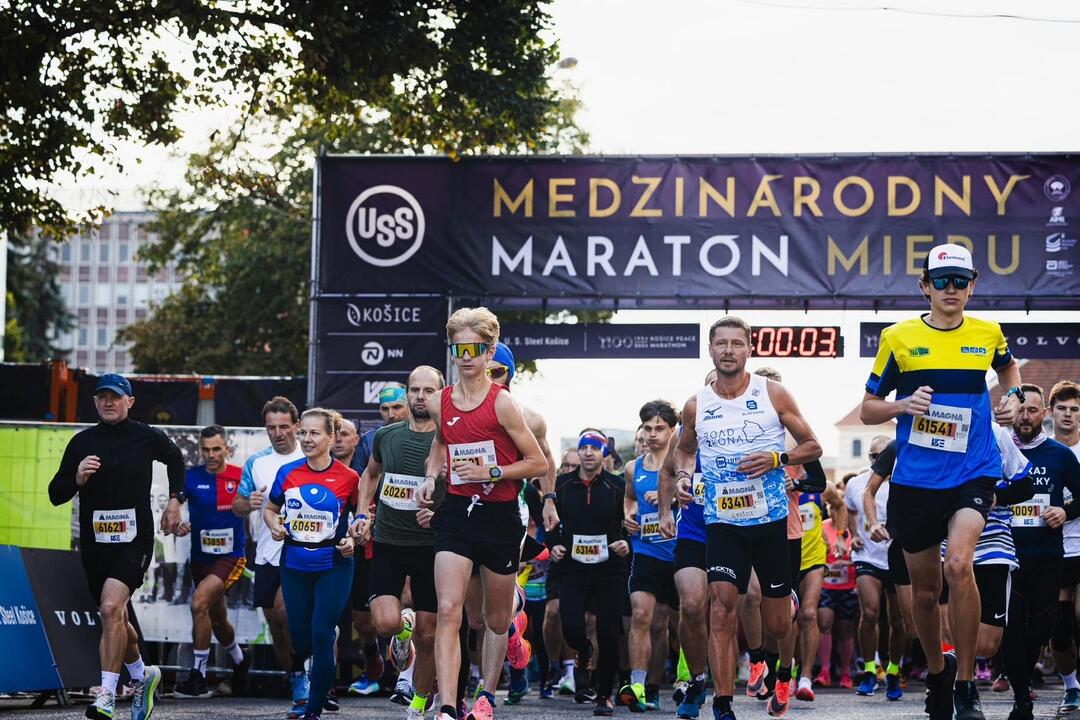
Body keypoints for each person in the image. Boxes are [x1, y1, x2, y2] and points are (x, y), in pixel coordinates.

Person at [861, 243, 1022, 720]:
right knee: (926, 593)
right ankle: (938, 673)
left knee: (959, 566)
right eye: (942, 280)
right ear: (925, 286)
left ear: (972, 286)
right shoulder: (898, 337)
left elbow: (1008, 367)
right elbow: (869, 408)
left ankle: (967, 683)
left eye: (961, 281)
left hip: (973, 469)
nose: (951, 289)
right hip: (915, 479)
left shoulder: (988, 331)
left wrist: (1011, 396)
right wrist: (902, 405)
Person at [663, 316, 823, 720]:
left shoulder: (773, 393)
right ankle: (722, 702)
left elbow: (812, 446)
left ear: (749, 349)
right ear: (711, 350)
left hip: (769, 521)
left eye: (737, 343)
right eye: (721, 344)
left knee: (778, 621)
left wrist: (776, 458)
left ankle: (782, 673)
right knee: (721, 607)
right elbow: (683, 450)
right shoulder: (696, 404)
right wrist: (683, 476)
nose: (729, 350)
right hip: (722, 522)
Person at [417, 307, 547, 720]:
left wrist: (493, 470)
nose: (466, 356)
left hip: (500, 515)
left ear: (489, 351)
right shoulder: (440, 402)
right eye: (460, 348)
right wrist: (431, 475)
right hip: (457, 511)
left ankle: (487, 696)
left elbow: (538, 463)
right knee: (449, 609)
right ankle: (449, 706)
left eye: (475, 348)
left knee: (492, 619)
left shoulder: (503, 404)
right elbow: (441, 442)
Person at [49, 373, 181, 720]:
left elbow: (176, 459)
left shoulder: (146, 436)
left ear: (130, 402)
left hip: (134, 539)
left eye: (116, 396)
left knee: (110, 608)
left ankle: (106, 693)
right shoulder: (81, 442)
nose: (109, 402)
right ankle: (143, 675)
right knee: (116, 617)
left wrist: (175, 500)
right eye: (102, 396)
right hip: (96, 543)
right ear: (95, 402)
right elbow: (55, 494)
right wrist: (75, 478)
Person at [350, 365, 446, 720]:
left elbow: (463, 490)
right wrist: (362, 513)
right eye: (414, 390)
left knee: (429, 634)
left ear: (440, 393)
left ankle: (419, 703)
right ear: (407, 393)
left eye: (427, 390)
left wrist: (439, 515)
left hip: (432, 548)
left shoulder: (448, 439)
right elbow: (370, 475)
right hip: (389, 542)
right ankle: (400, 631)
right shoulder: (385, 436)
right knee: (386, 624)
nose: (420, 396)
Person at [264, 408, 358, 720]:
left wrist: (353, 539)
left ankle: (313, 709)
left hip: (334, 565)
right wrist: (274, 525)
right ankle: (306, 675)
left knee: (321, 633)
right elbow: (270, 508)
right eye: (303, 432)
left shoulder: (349, 478)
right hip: (294, 564)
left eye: (314, 433)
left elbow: (363, 519)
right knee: (300, 636)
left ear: (331, 438)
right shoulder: (288, 472)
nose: (306, 438)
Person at [1002, 384, 1080, 720]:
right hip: (1006, 555)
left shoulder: (1060, 456)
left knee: (1042, 630)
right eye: (1020, 410)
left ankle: (1032, 681)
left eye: (1032, 410)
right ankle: (1022, 698)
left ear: (1043, 414)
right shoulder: (998, 450)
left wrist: (1066, 511)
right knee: (1012, 628)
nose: (1025, 417)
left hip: (1048, 556)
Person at [548, 429, 630, 716]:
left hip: (609, 568)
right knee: (571, 627)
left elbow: (632, 520)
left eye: (595, 448)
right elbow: (549, 522)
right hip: (573, 567)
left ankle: (604, 695)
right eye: (584, 447)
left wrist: (626, 542)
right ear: (578, 451)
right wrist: (554, 546)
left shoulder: (617, 486)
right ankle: (583, 651)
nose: (588, 453)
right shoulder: (562, 485)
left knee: (608, 632)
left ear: (604, 453)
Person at [234, 397, 305, 715]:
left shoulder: (309, 456)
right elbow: (237, 505)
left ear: (297, 426)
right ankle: (294, 677)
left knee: (287, 612)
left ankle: (309, 678)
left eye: (284, 427)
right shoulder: (256, 462)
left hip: (302, 550)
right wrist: (247, 503)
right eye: (271, 428)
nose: (278, 434)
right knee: (275, 622)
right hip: (266, 553)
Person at [173, 425, 250, 698]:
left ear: (226, 448)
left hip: (231, 557)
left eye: (216, 449)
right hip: (201, 558)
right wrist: (180, 524)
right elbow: (177, 503)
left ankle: (198, 676)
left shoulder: (240, 476)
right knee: (216, 619)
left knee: (198, 603)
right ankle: (241, 660)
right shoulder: (191, 477)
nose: (211, 455)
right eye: (205, 450)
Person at [658, 369, 716, 720]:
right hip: (694, 531)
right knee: (692, 606)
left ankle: (755, 664)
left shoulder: (749, 426)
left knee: (747, 605)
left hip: (739, 530)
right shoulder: (685, 432)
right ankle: (697, 681)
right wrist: (666, 512)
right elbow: (667, 471)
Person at [620, 400, 680, 713]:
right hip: (645, 550)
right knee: (641, 615)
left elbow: (699, 497)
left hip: (681, 552)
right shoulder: (634, 467)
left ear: (673, 431)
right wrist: (628, 515)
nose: (653, 434)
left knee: (671, 625)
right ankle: (639, 685)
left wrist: (668, 495)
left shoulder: (686, 463)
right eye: (648, 428)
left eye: (660, 428)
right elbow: (629, 499)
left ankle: (680, 679)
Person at [844, 436, 907, 701]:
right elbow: (850, 514)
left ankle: (893, 671)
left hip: (896, 554)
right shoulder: (856, 484)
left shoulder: (904, 480)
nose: (878, 461)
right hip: (867, 556)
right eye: (873, 456)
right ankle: (870, 670)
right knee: (869, 612)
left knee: (898, 619)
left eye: (884, 455)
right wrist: (853, 536)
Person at [334, 418, 384, 698]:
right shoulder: (319, 470)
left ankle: (374, 659)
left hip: (366, 553)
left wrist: (369, 520)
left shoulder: (367, 471)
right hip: (332, 553)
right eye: (335, 434)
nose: (339, 439)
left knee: (365, 623)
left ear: (357, 440)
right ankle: (322, 680)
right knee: (328, 618)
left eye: (345, 434)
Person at [1050, 380, 1080, 707]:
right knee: (1058, 629)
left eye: (1074, 409)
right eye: (1062, 409)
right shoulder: (1043, 450)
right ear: (1051, 413)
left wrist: (1067, 510)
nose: (1068, 415)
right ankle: (1071, 687)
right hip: (1054, 551)